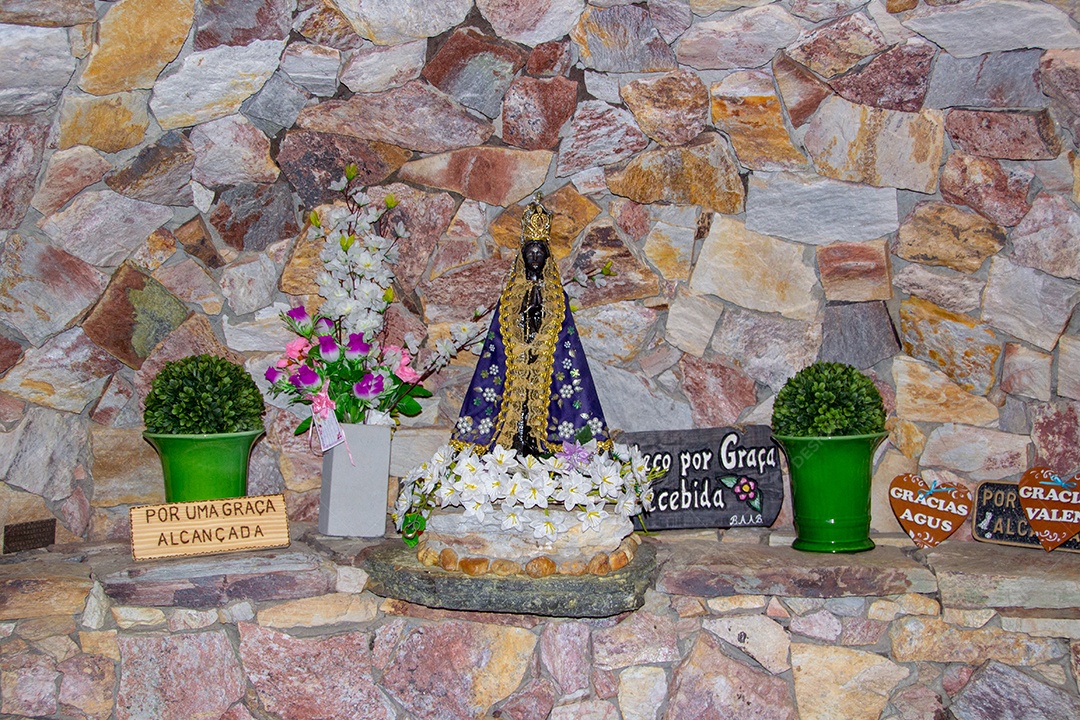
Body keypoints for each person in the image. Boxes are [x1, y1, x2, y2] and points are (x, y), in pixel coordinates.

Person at [451, 195, 610, 456]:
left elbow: (564, 334)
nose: (535, 256)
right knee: (517, 407)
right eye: (530, 252)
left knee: (544, 405)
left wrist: (541, 328)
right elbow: (500, 332)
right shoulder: (512, 294)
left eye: (539, 252)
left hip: (545, 361)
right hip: (516, 363)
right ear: (523, 256)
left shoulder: (556, 296)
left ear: (546, 258)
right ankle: (514, 443)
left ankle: (541, 447)